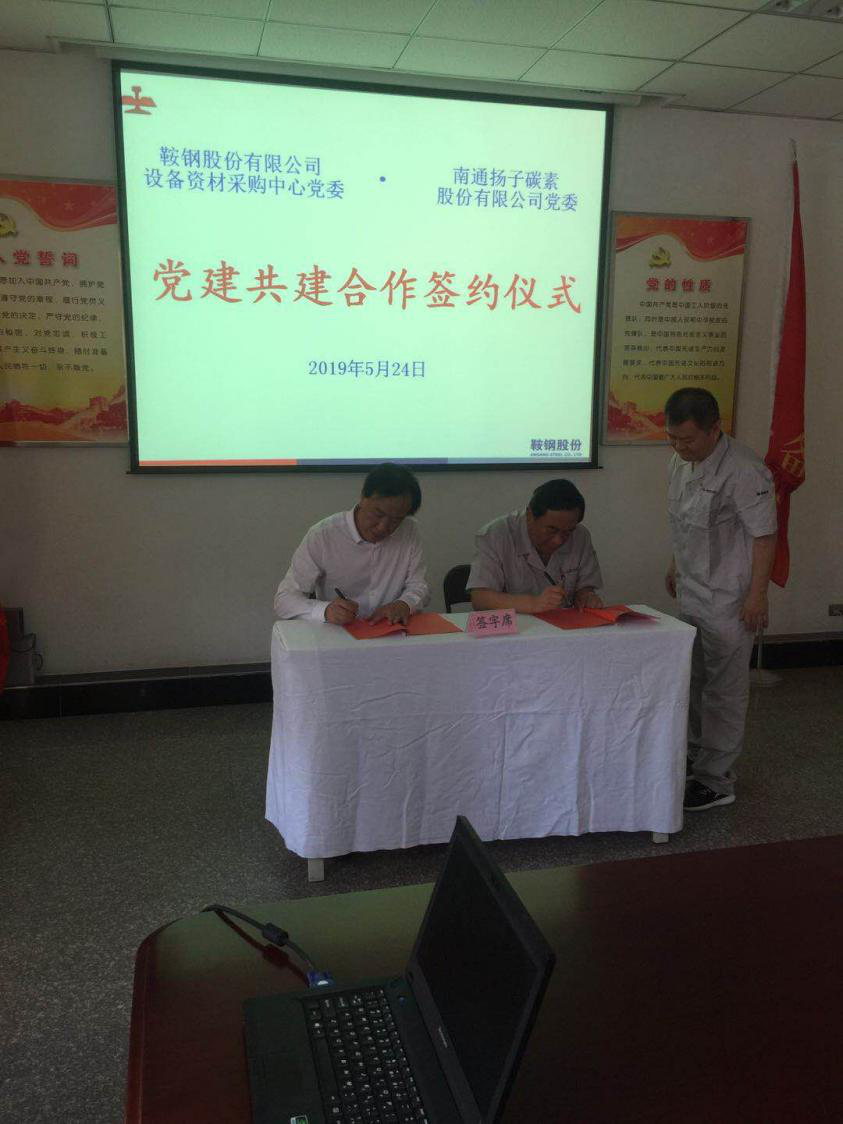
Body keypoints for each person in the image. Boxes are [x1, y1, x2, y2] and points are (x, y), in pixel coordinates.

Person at [664, 387, 777, 812]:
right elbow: (682, 521)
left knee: (725, 691)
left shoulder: (745, 470)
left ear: (715, 429)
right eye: (673, 438)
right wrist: (674, 564)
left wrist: (758, 595)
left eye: (688, 439)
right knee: (694, 680)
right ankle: (696, 758)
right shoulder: (680, 461)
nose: (679, 447)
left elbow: (765, 536)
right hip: (692, 589)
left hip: (731, 598)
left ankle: (717, 780)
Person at [274, 462, 429, 626]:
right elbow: (284, 600)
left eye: (396, 520)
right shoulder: (323, 535)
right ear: (362, 498)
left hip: (390, 631)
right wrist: (325, 611)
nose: (383, 527)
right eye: (378, 514)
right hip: (338, 633)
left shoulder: (409, 530)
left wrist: (405, 604)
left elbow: (419, 586)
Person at [467, 479, 603, 614]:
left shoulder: (580, 535)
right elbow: (481, 599)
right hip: (515, 623)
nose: (558, 541)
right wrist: (533, 603)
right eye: (551, 530)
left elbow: (584, 588)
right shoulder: (496, 535)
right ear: (530, 515)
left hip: (563, 623)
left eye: (567, 532)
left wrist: (586, 597)